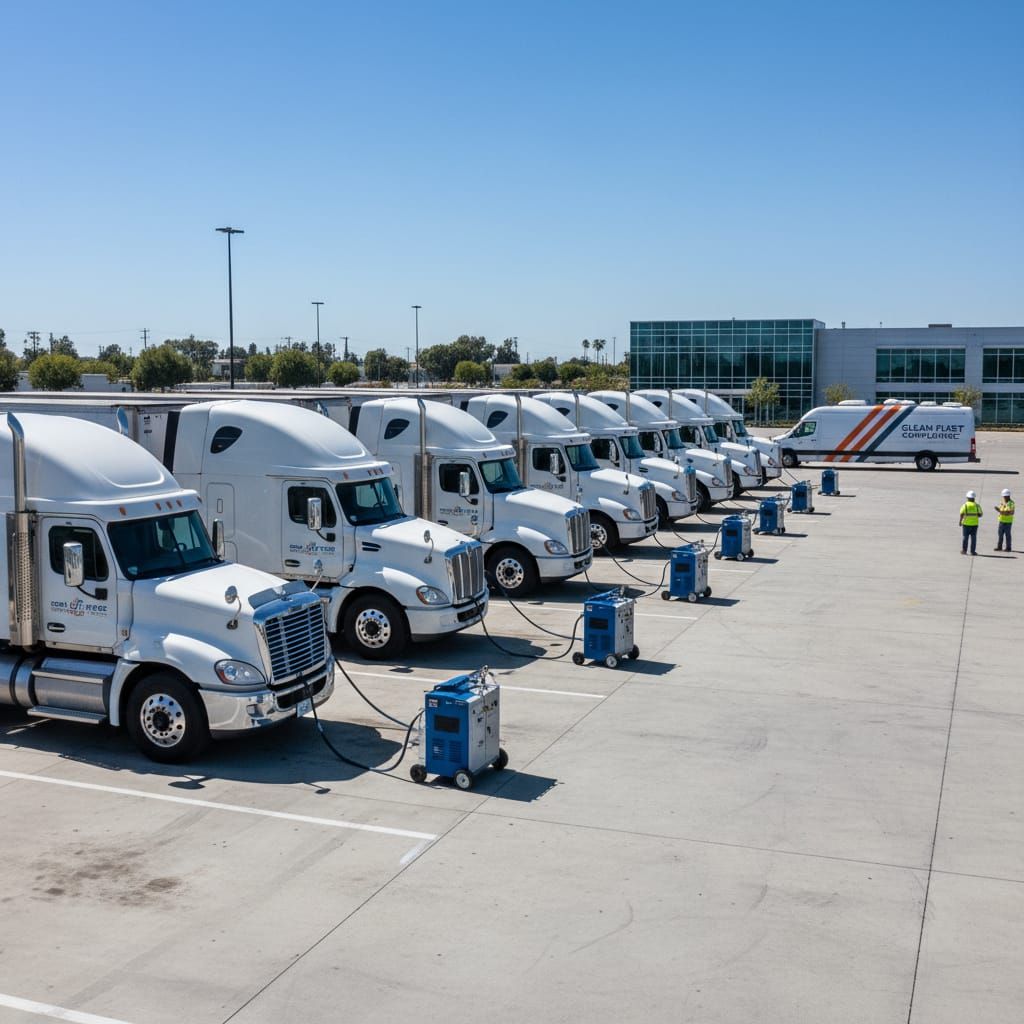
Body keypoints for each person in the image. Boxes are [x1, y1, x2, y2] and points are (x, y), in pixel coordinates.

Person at [959, 490, 982, 555]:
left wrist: (960, 521)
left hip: (966, 524)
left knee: (965, 538)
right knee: (973, 538)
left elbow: (961, 514)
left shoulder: (965, 505)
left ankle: (964, 551)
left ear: (967, 498)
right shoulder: (977, 506)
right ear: (974, 498)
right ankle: (972, 551)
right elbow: (980, 514)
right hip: (975, 524)